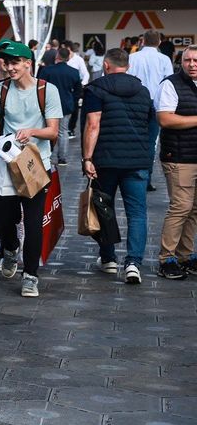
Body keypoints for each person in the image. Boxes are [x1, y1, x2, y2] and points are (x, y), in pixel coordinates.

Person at [0, 40, 62, 298]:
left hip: (36, 165)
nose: (10, 67)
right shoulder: (0, 90)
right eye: (6, 62)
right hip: (6, 162)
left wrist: (32, 132)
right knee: (0, 215)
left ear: (28, 63)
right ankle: (9, 247)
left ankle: (30, 276)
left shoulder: (46, 90)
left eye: (15, 62)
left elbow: (53, 131)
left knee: (32, 221)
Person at [81, 48, 155, 284]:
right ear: (128, 66)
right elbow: (151, 126)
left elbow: (93, 124)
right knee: (137, 213)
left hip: (106, 159)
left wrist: (87, 158)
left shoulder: (96, 88)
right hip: (137, 160)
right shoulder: (143, 91)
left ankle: (109, 258)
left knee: (104, 207)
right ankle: (133, 263)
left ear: (105, 65)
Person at [156, 45, 197, 279]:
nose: (192, 64)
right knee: (181, 207)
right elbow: (165, 118)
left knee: (195, 210)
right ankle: (167, 258)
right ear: (180, 62)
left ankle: (186, 255)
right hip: (179, 157)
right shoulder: (170, 84)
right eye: (187, 60)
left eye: (196, 60)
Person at [129, 30, 172, 191]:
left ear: (143, 41)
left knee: (134, 138)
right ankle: (146, 177)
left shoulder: (132, 58)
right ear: (159, 42)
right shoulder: (164, 59)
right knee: (151, 142)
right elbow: (168, 82)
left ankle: (131, 174)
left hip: (135, 102)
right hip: (156, 103)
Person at [37, 47, 82, 166]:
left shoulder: (47, 70)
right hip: (66, 104)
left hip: (47, 105)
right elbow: (78, 91)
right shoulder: (73, 71)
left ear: (57, 56)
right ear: (69, 57)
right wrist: (73, 100)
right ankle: (62, 158)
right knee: (63, 131)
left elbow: (39, 86)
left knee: (46, 130)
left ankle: (47, 156)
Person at [65, 42, 90, 137]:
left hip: (75, 86)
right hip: (65, 86)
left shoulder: (78, 59)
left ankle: (71, 128)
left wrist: (82, 84)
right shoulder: (63, 59)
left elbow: (85, 74)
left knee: (75, 108)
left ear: (70, 50)